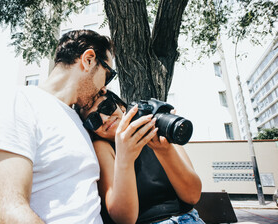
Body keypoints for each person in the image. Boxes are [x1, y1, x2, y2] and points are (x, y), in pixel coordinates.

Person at [0, 30, 116, 224]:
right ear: (88, 59)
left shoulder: (79, 122)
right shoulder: (18, 102)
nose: (105, 88)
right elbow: (6, 213)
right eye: (108, 75)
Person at [79, 90, 204, 224]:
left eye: (106, 106)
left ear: (121, 106)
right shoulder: (103, 148)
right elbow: (124, 219)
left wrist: (165, 151)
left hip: (188, 218)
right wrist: (125, 158)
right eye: (93, 120)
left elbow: (192, 196)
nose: (104, 119)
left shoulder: (158, 129)